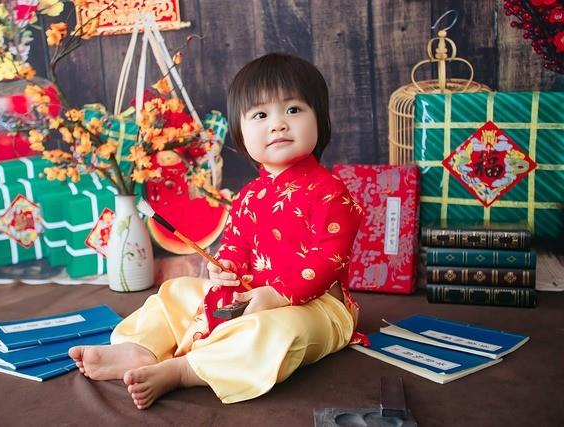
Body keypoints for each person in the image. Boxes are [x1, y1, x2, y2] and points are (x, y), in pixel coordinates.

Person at [68, 52, 364, 410]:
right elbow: (235, 245)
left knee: (278, 331)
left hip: (317, 307)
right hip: (249, 295)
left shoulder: (330, 192)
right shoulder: (248, 195)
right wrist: (224, 268)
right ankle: (140, 348)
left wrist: (278, 296)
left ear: (320, 119)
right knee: (177, 292)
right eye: (261, 115)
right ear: (241, 133)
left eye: (293, 110)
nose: (278, 124)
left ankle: (186, 370)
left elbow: (328, 260)